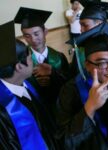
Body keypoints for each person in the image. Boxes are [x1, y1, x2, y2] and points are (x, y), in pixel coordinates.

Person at [57, 34, 108, 149]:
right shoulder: (70, 92)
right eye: (102, 63)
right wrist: (89, 107)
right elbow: (65, 142)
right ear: (87, 65)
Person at [0, 21, 59, 149]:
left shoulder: (26, 84)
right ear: (19, 66)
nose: (32, 61)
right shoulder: (3, 113)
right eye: (29, 58)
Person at [14, 7, 70, 117]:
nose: (33, 39)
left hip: (60, 108)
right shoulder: (21, 62)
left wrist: (53, 75)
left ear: (45, 32)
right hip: (37, 111)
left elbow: (68, 83)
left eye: (36, 33)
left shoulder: (59, 57)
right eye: (27, 36)